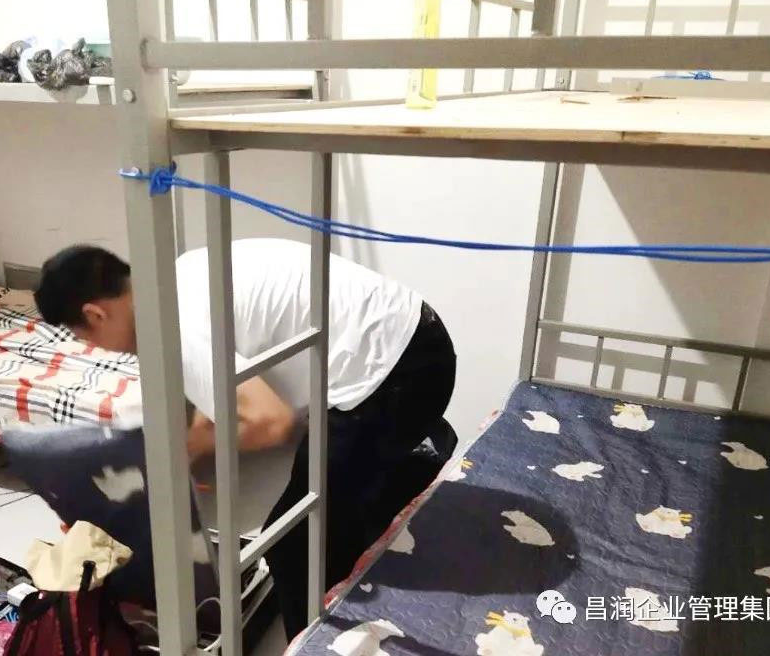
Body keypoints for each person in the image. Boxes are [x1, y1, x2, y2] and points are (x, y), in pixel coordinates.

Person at [34, 238, 457, 638]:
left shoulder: (172, 328)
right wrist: (190, 448)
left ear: (96, 314)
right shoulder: (177, 276)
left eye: (84, 337)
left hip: (398, 375)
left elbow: (272, 421)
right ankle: (403, 470)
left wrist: (200, 446)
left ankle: (315, 643)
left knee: (293, 542)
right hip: (415, 334)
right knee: (340, 495)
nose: (96, 348)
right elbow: (220, 389)